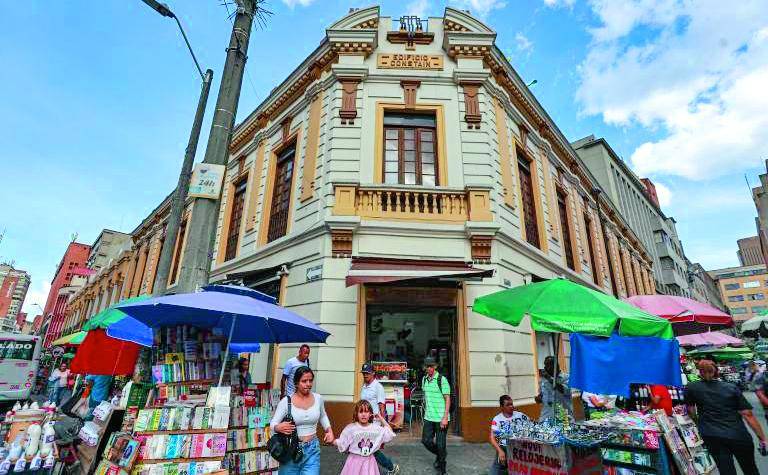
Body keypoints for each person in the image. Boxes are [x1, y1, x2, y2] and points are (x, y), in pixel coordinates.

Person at [686, 359, 766, 475]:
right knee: (750, 469)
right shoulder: (731, 388)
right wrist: (762, 438)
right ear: (716, 371)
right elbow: (747, 414)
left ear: (699, 372)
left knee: (726, 471)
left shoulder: (691, 388)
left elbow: (691, 410)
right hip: (738, 435)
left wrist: (699, 422)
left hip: (712, 435)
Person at [270, 366, 334, 475]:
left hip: (312, 449)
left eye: (310, 381)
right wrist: (277, 427)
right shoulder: (286, 402)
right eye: (304, 381)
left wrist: (329, 430)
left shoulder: (318, 398)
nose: (308, 384)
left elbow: (323, 416)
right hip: (290, 449)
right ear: (296, 383)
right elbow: (273, 423)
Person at [334, 400, 396, 475]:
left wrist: (381, 419)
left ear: (370, 414)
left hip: (369, 463)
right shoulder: (351, 428)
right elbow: (341, 442)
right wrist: (332, 441)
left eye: (366, 412)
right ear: (356, 414)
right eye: (361, 412)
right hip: (354, 462)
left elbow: (389, 433)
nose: (363, 414)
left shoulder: (375, 428)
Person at [359, 363, 399, 474]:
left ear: (373, 373)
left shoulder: (378, 387)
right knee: (365, 447)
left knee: (371, 449)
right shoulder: (364, 386)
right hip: (364, 422)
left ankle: (391, 467)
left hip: (374, 423)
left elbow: (382, 407)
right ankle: (368, 469)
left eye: (367, 373)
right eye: (364, 373)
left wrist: (382, 424)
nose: (365, 375)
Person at [421, 356, 450, 475]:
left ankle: (442, 469)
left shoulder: (442, 380)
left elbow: (447, 399)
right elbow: (426, 397)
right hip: (429, 417)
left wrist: (445, 418)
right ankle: (441, 454)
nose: (429, 368)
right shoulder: (424, 380)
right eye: (427, 366)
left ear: (435, 366)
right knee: (426, 441)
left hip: (441, 418)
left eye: (431, 366)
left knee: (441, 444)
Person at [489, 395, 529, 475]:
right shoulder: (497, 419)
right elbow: (492, 437)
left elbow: (531, 425)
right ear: (502, 407)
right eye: (508, 405)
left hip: (518, 448)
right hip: (504, 448)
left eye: (511, 404)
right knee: (496, 470)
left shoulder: (520, 415)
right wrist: (500, 451)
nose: (511, 406)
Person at [535, 356, 572, 421]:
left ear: (556, 366)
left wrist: (549, 378)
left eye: (549, 365)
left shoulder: (566, 378)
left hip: (563, 416)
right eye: (545, 365)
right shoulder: (543, 380)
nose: (546, 368)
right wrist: (539, 398)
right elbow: (542, 393)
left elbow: (564, 390)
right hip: (546, 416)